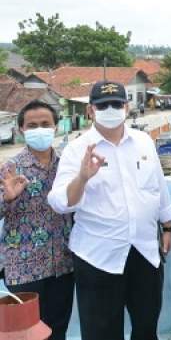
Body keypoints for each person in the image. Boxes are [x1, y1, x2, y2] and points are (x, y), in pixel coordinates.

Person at [48, 81, 171, 340]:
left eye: (116, 104)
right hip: (98, 256)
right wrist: (82, 177)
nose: (110, 109)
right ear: (91, 110)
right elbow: (60, 202)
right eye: (103, 105)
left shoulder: (143, 142)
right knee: (101, 333)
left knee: (146, 327)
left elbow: (158, 186)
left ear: (126, 107)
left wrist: (168, 225)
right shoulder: (76, 150)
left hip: (144, 251)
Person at [0, 101, 74, 340]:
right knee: (23, 334)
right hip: (22, 268)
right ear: (21, 129)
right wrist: (7, 199)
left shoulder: (68, 166)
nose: (39, 129)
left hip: (62, 264)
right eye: (32, 125)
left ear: (56, 127)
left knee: (57, 329)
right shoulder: (9, 169)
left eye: (45, 124)